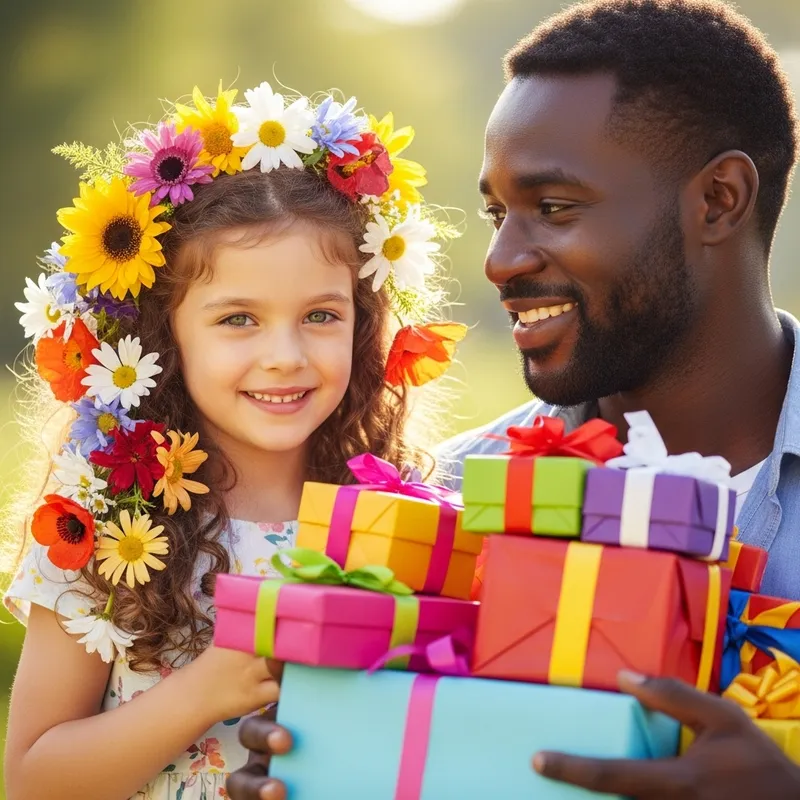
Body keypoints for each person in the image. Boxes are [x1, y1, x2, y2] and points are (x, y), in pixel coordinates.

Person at [225, 1, 800, 798]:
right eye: (498, 213)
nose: (499, 259)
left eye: (554, 208)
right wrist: (325, 758)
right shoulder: (457, 497)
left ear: (719, 200)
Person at [1, 80, 463, 800]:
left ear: (364, 325)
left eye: (320, 315)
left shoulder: (395, 512)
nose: (285, 355)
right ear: (164, 333)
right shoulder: (105, 522)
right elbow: (31, 780)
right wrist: (206, 690)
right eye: (238, 319)